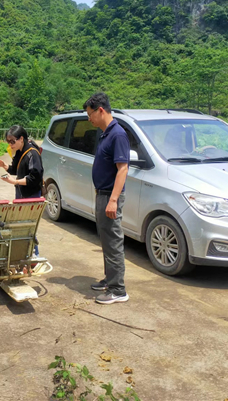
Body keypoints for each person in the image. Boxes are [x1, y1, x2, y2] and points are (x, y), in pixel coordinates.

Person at [84, 92, 130, 304]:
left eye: (90, 114)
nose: (89, 119)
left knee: (113, 241)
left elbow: (122, 169)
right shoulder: (105, 133)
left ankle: (118, 290)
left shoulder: (117, 134)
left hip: (110, 196)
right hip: (101, 194)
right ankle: (109, 280)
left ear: (100, 110)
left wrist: (113, 200)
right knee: (105, 239)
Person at [0, 125, 44, 257]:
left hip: (31, 195)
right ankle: (24, 255)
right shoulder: (19, 151)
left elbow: (35, 177)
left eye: (12, 141)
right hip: (21, 193)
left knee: (29, 226)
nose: (10, 144)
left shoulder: (32, 153)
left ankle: (34, 255)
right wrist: (3, 165)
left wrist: (15, 181)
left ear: (21, 138)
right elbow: (15, 170)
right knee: (20, 226)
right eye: (8, 142)